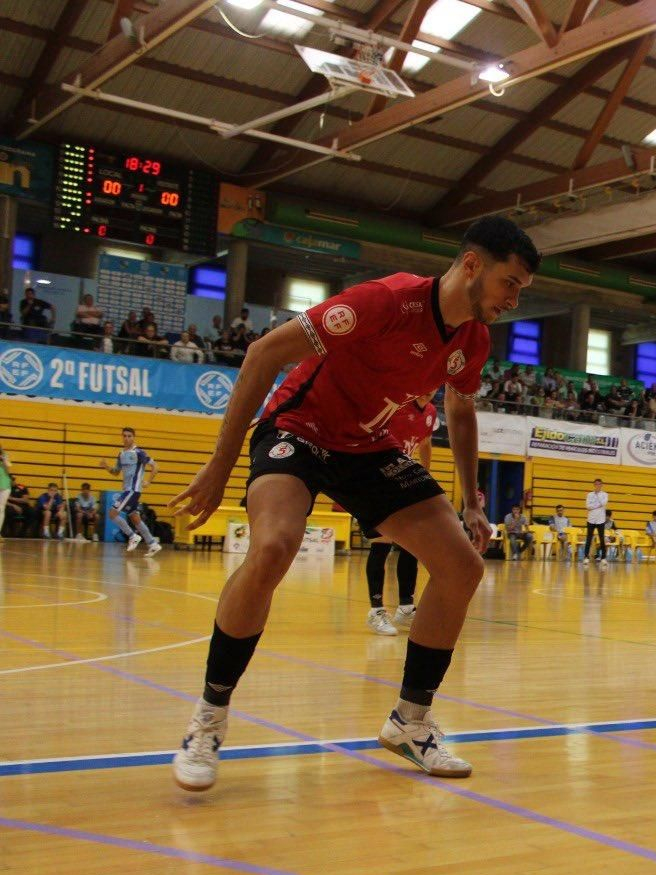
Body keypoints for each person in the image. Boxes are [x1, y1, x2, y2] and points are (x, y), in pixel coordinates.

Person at [167, 215, 538, 791]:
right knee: (272, 548)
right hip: (300, 429)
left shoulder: (474, 339)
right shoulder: (385, 302)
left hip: (370, 447)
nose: (514, 298)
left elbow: (461, 411)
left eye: (520, 290)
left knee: (462, 567)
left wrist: (472, 503)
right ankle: (208, 720)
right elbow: (264, 354)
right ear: (472, 265)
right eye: (510, 282)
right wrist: (220, 464)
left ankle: (409, 723)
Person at [366, 398, 436, 636]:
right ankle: (376, 611)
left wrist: (424, 474)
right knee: (381, 545)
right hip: (377, 480)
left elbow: (426, 442)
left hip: (403, 480)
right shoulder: (398, 404)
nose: (431, 385)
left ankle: (405, 607)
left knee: (412, 545)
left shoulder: (430, 412)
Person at [105, 427, 161, 554]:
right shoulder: (121, 454)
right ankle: (152, 543)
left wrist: (148, 481)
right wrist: (106, 467)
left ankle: (132, 536)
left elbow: (155, 466)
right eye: (124, 435)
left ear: (133, 437)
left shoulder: (139, 452)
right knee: (135, 518)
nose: (126, 438)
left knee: (112, 514)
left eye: (129, 436)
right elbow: (116, 472)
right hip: (127, 490)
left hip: (133, 490)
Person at [581, 477, 608, 567]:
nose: (597, 486)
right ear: (594, 485)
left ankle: (603, 558)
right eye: (596, 484)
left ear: (601, 485)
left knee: (602, 539)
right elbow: (588, 507)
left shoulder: (605, 494)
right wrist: (597, 505)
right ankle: (586, 557)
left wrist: (596, 499)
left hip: (601, 520)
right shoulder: (589, 495)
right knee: (588, 539)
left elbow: (603, 503)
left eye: (599, 484)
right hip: (591, 519)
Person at [0, 442, 12, 539]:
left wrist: (3, 459)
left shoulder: (4, 456)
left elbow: (8, 469)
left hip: (4, 486)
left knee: (1, 509)